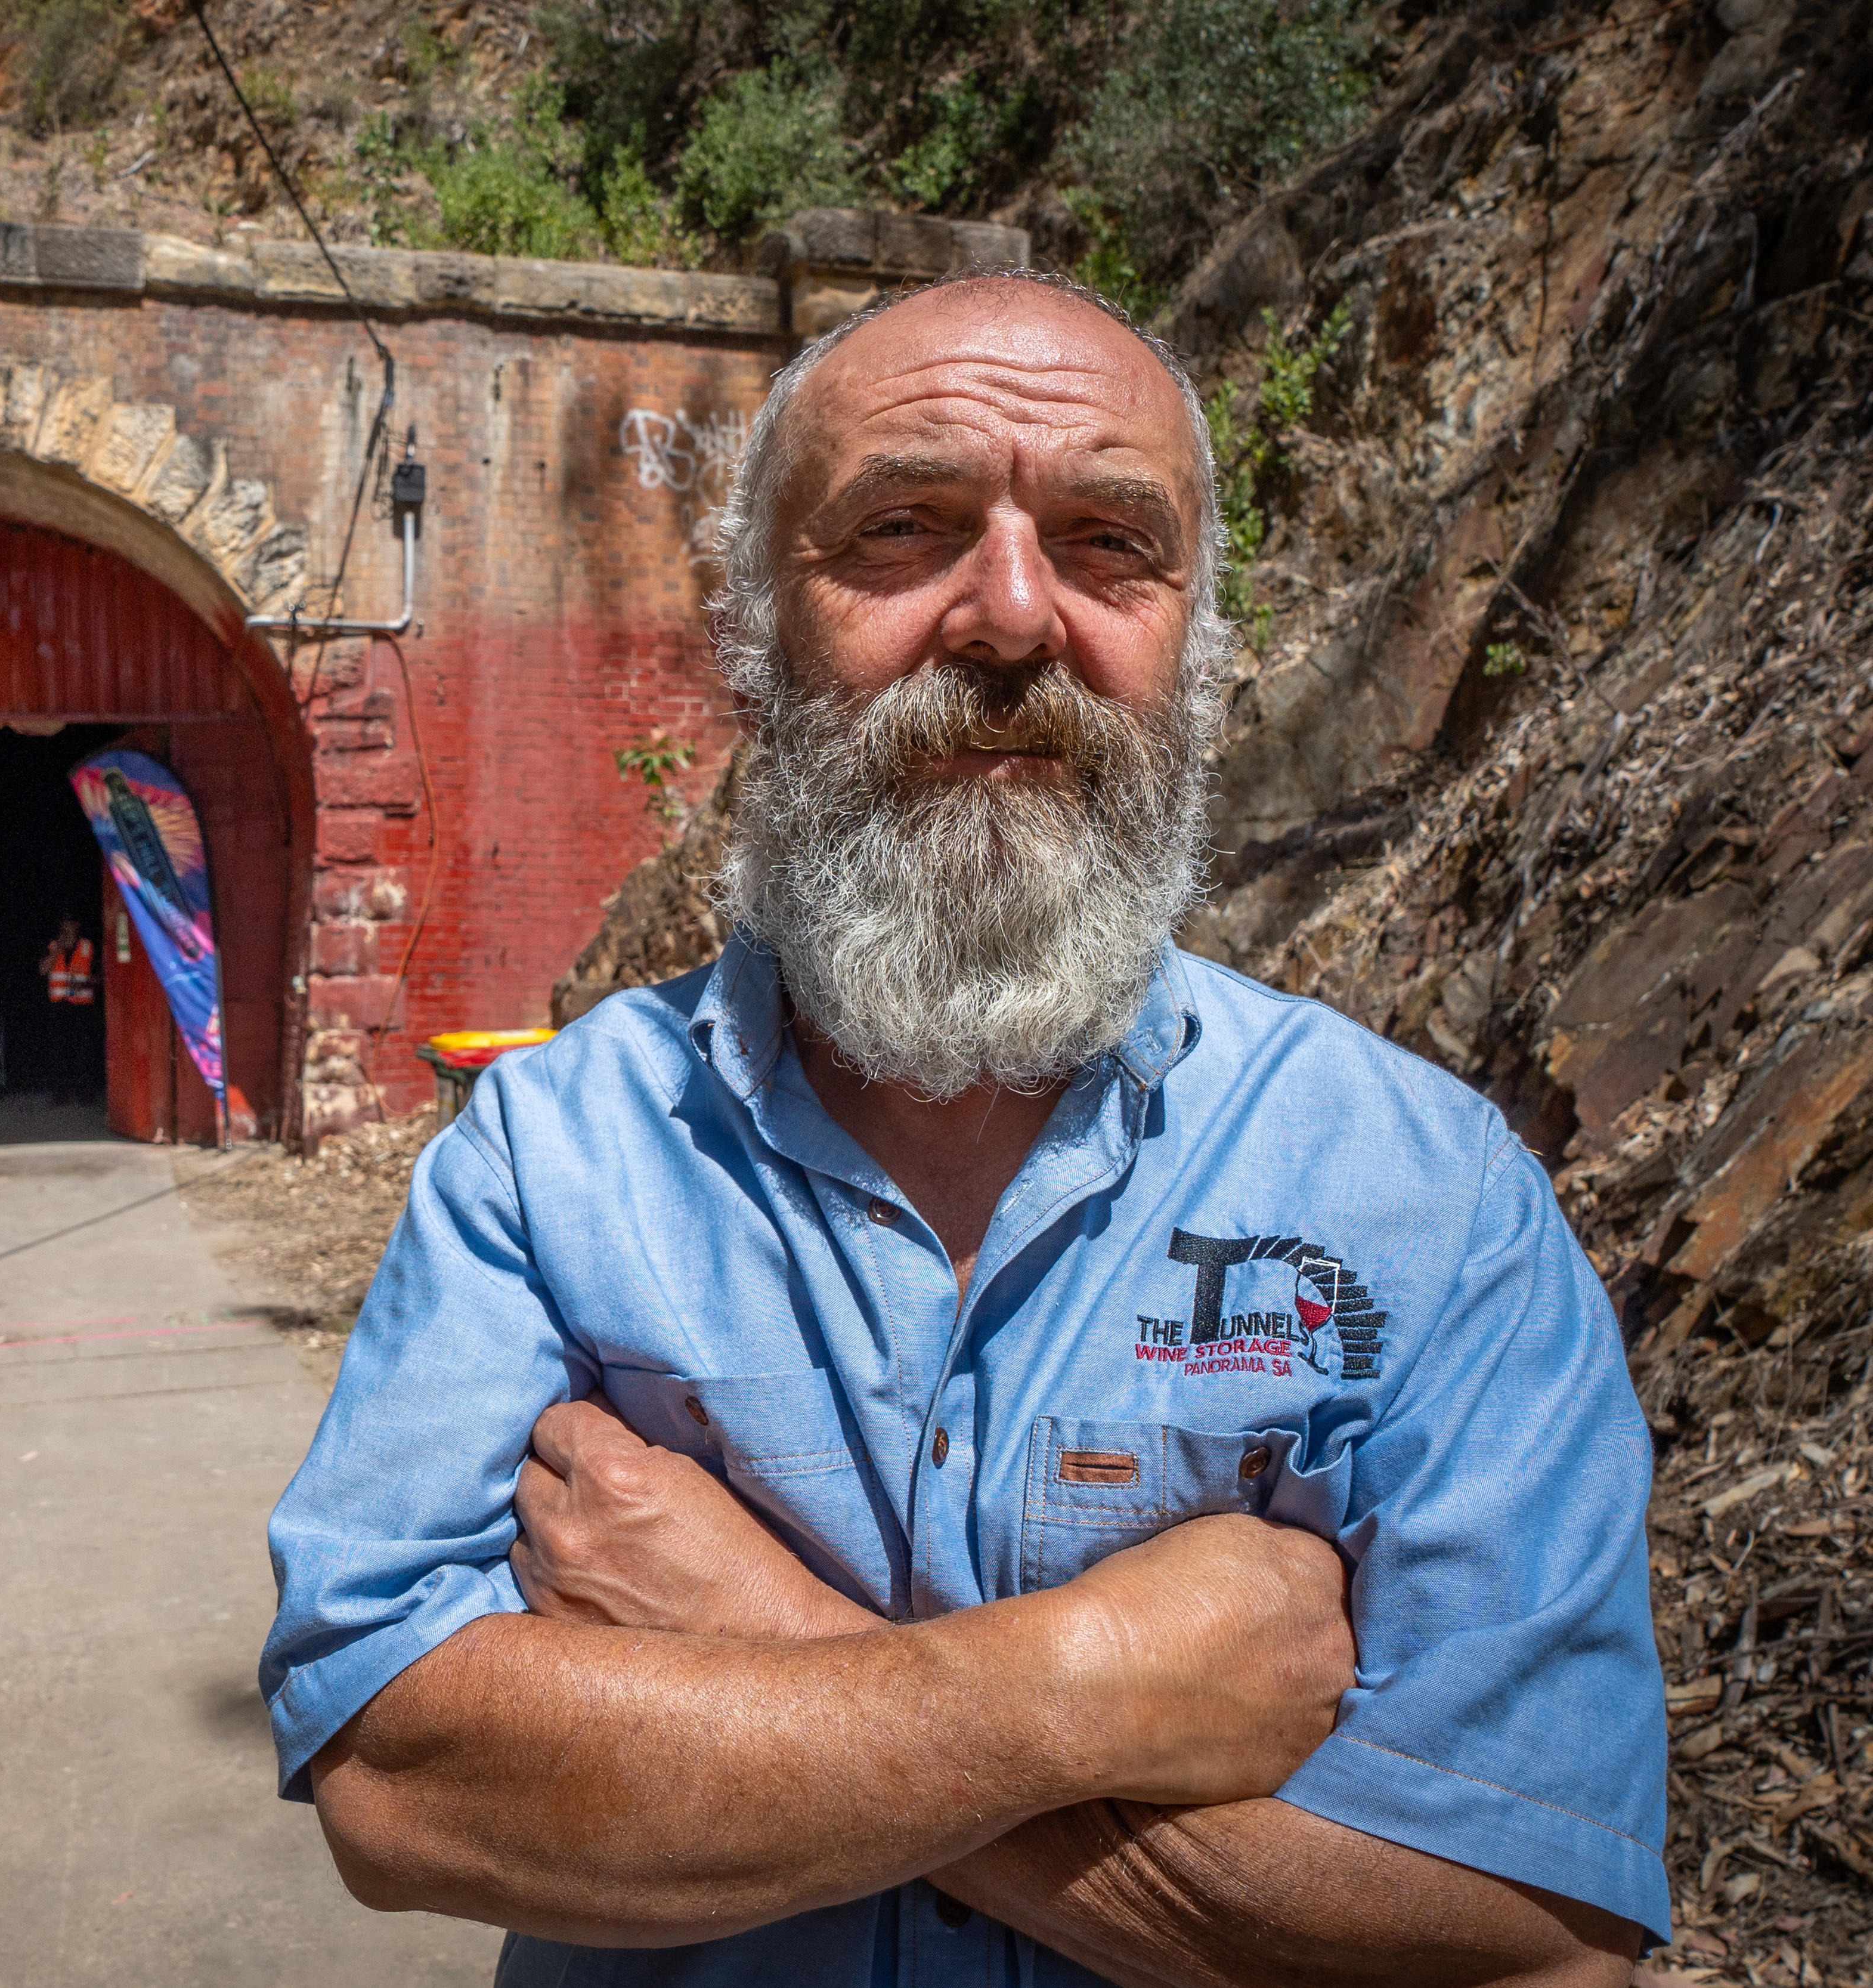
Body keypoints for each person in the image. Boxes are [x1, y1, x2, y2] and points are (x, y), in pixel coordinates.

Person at [262, 271, 1664, 1987]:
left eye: (1108, 543)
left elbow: (1537, 1947)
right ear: (755, 638)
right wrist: (1083, 1683)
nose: (1010, 615)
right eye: (905, 529)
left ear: (1196, 651)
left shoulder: (1432, 1201)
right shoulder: (554, 1159)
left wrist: (763, 1643)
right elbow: (402, 1782)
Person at [38, 913, 99, 1104]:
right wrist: (58, 951)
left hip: (82, 1007)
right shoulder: (52, 945)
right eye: (65, 923)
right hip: (59, 1006)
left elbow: (102, 975)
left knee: (84, 1052)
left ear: (78, 925)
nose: (68, 927)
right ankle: (60, 1094)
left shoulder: (88, 946)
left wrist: (88, 983)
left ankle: (85, 1094)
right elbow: (42, 970)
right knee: (59, 1052)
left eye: (72, 923)